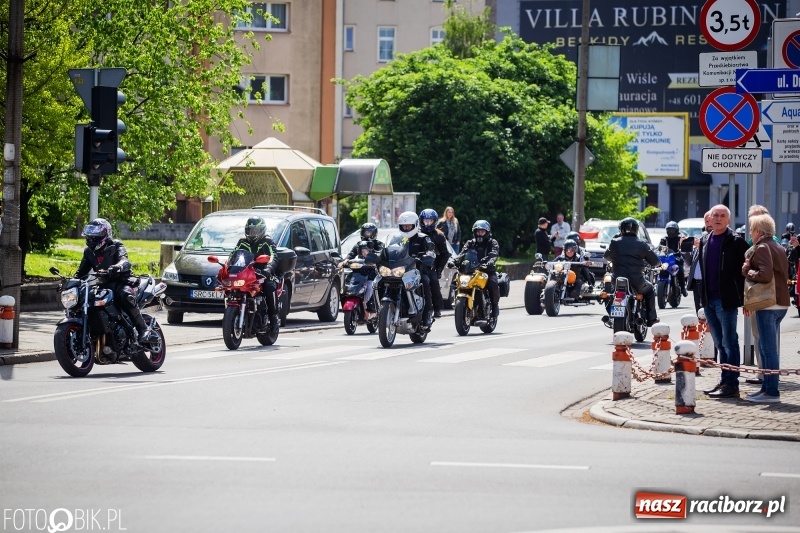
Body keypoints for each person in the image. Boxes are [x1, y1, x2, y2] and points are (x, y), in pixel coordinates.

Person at [698, 204, 749, 399]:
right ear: (709, 219)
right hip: (708, 300)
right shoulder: (705, 240)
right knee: (719, 343)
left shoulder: (736, 241)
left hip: (726, 300)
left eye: (722, 216)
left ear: (728, 220)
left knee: (730, 342)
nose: (718, 219)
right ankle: (724, 380)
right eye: (715, 215)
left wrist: (745, 299)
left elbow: (745, 273)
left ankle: (732, 385)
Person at [75, 218, 149, 343]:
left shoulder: (116, 245)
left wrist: (117, 267)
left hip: (122, 282)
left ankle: (143, 329)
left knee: (125, 295)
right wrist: (70, 282)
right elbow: (81, 272)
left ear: (104, 234)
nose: (91, 239)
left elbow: (125, 261)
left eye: (94, 236)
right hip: (104, 285)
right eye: (89, 236)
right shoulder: (89, 252)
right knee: (88, 301)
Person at [742, 213, 790, 403]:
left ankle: (771, 391)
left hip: (768, 303)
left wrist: (747, 269)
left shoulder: (762, 247)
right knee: (768, 347)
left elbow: (765, 275)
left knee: (767, 349)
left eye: (751, 230)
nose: (750, 234)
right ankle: (767, 388)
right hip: (780, 303)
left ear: (758, 231)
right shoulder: (778, 246)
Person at [382, 211, 436, 327]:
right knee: (379, 281)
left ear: (415, 225)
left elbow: (431, 251)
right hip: (399, 270)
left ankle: (427, 313)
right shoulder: (396, 238)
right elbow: (387, 250)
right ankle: (377, 311)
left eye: (409, 226)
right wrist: (380, 256)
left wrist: (428, 256)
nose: (406, 228)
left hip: (417, 270)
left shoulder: (423, 238)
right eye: (404, 226)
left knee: (425, 281)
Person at [604, 217, 661, 326]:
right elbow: (655, 262)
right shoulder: (642, 244)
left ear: (621, 229)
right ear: (636, 229)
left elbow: (607, 257)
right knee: (650, 290)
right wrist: (658, 264)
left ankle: (611, 316)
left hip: (617, 280)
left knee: (610, 294)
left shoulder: (614, 242)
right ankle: (651, 318)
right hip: (636, 281)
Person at [230, 216, 280, 334]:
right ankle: (233, 313)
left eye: (255, 231)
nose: (252, 233)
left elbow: (274, 256)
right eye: (250, 230)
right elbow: (233, 255)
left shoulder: (267, 241)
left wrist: (268, 268)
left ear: (262, 230)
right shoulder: (242, 242)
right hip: (246, 273)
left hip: (263, 274)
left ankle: (273, 318)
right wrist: (229, 266)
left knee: (269, 287)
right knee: (232, 287)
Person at [453, 220, 500, 317]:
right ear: (474, 232)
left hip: (487, 270)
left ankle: (495, 306)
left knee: (493, 283)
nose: (480, 234)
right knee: (456, 282)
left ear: (487, 232)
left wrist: (490, 262)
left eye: (482, 232)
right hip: (471, 270)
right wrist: (454, 261)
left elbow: (494, 254)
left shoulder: (492, 242)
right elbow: (462, 253)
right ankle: (458, 303)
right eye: (478, 232)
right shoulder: (470, 243)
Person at [419, 208, 450, 318]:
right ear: (421, 221)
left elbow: (445, 254)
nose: (427, 223)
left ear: (434, 221)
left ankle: (436, 309)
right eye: (425, 220)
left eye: (430, 221)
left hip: (431, 266)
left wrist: (439, 269)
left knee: (434, 283)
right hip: (416, 265)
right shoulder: (416, 234)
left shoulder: (439, 235)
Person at [659, 221, 693, 297]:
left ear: (677, 230)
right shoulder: (664, 239)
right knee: (660, 269)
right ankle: (657, 284)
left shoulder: (680, 238)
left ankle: (683, 288)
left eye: (672, 230)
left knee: (680, 270)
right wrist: (660, 249)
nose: (670, 232)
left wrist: (683, 248)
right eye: (669, 230)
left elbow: (685, 247)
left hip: (677, 258)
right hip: (667, 259)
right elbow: (659, 248)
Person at [687, 211, 712, 312]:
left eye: (710, 221)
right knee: (700, 314)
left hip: (709, 284)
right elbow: (689, 262)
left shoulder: (717, 240)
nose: (708, 224)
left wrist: (702, 246)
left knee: (710, 314)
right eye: (706, 221)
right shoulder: (701, 239)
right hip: (697, 284)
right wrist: (685, 248)